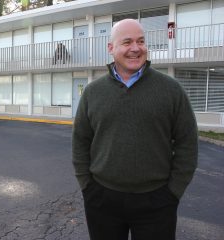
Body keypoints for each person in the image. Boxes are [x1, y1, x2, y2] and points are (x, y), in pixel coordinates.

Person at [72, 19, 198, 240]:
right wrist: (87, 187)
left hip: (157, 202)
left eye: (141, 41)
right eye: (127, 42)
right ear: (111, 48)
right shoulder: (93, 93)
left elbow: (187, 143)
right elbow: (80, 141)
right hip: (102, 199)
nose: (136, 48)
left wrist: (173, 192)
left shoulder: (171, 91)